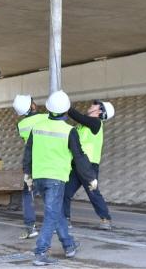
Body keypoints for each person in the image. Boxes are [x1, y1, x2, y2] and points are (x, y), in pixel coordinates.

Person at [23, 90, 98, 266]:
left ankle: (69, 245)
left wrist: (27, 174)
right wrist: (91, 178)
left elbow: (28, 152)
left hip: (40, 177)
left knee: (55, 212)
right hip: (56, 178)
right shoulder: (69, 131)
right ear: (66, 110)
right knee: (51, 215)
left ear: (48, 108)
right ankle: (41, 252)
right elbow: (79, 157)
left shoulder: (37, 127)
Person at [63, 100, 115, 230]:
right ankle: (65, 219)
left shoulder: (96, 123)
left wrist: (65, 106)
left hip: (88, 166)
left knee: (93, 192)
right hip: (76, 164)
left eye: (95, 105)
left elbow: (78, 116)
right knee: (65, 192)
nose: (92, 105)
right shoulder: (81, 126)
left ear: (100, 111)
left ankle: (106, 219)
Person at [13, 94, 47, 240]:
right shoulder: (46, 118)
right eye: (33, 102)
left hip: (33, 163)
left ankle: (30, 227)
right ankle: (54, 225)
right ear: (31, 106)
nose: (35, 103)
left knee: (28, 194)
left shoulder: (21, 126)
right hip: (50, 161)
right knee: (51, 194)